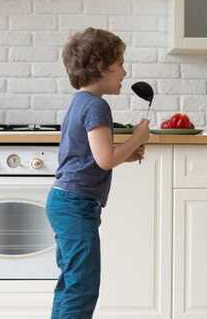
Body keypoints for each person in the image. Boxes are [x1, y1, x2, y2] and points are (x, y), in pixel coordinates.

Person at [46, 27, 150, 319]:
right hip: (76, 206)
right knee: (82, 286)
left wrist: (126, 155)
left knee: (70, 282)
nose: (125, 73)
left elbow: (88, 156)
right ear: (103, 67)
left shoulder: (79, 102)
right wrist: (138, 137)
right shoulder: (97, 106)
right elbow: (105, 159)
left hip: (64, 202)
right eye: (120, 65)